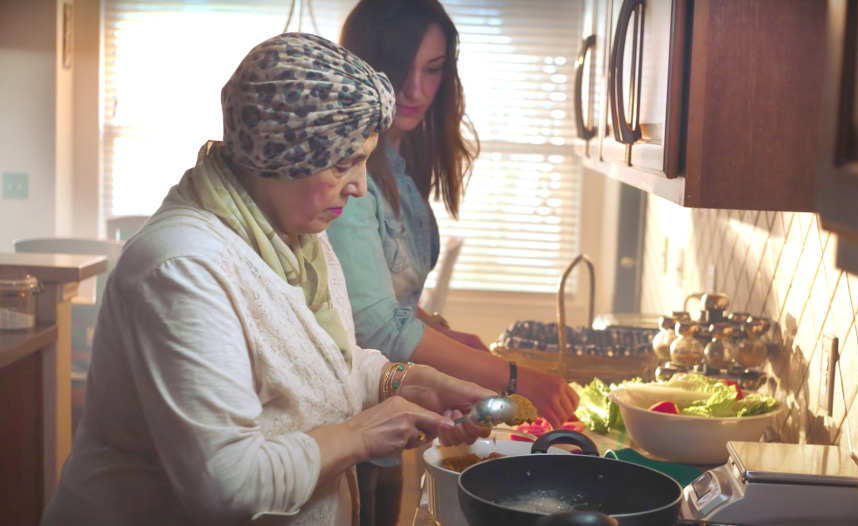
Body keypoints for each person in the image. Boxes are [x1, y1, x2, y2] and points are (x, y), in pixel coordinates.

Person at [41, 33, 493, 526]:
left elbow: (313, 362)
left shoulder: (292, 231)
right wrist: (362, 434)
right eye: (345, 163)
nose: (361, 186)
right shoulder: (181, 268)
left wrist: (403, 382)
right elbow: (226, 485)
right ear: (281, 158)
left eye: (365, 159)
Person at [326, 1, 580, 524]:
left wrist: (436, 329)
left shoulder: (395, 159)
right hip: (343, 433)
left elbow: (373, 294)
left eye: (434, 69)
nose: (416, 90)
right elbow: (372, 323)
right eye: (400, 70)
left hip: (384, 421)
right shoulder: (349, 168)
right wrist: (514, 378)